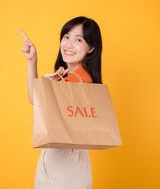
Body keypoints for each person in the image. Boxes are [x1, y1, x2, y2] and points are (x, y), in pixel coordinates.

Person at [19, 16, 103, 189]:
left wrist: (44, 84)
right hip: (58, 162)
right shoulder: (65, 76)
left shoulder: (79, 80)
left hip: (65, 167)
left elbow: (37, 100)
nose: (69, 44)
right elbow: (34, 99)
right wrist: (32, 61)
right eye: (66, 36)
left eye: (78, 39)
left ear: (91, 48)